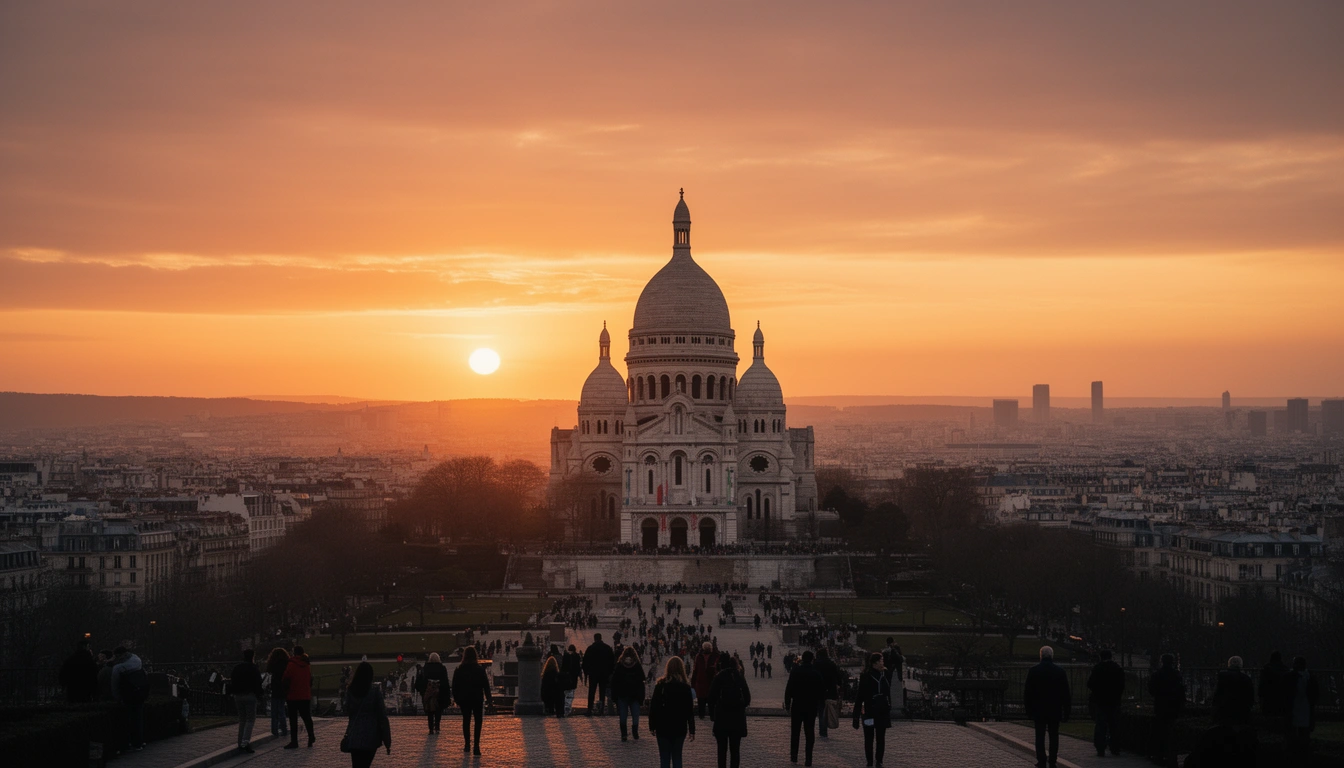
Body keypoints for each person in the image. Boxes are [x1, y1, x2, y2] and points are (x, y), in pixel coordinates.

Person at [1024, 646, 1071, 768]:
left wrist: (1028, 710)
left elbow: (1028, 693)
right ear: (1052, 656)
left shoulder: (1033, 671)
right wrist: (1066, 711)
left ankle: (1041, 760)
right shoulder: (1060, 671)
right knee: (1054, 736)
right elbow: (1065, 693)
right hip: (1054, 708)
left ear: (1041, 656)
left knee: (1039, 736)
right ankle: (1053, 761)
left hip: (1038, 709)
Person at [648, 656, 696, 768]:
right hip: (680, 727)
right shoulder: (685, 687)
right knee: (677, 757)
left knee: (664, 758)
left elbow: (654, 707)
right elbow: (689, 710)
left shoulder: (661, 686)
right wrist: (692, 729)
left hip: (663, 726)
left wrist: (652, 725)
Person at [343, 662, 391, 768]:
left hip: (355, 735)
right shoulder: (374, 691)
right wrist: (387, 741)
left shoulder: (350, 690)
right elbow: (382, 717)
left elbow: (348, 711)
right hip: (371, 736)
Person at [708, 650, 751, 768]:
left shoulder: (719, 677)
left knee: (722, 750)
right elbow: (747, 698)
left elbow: (711, 698)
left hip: (721, 718)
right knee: (735, 750)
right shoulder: (739, 676)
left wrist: (713, 715)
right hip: (737, 719)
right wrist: (740, 706)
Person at [852, 652, 892, 768]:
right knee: (869, 738)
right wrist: (856, 715)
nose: (882, 662)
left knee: (880, 737)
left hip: (881, 710)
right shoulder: (866, 676)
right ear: (875, 663)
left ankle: (879, 760)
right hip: (870, 710)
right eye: (881, 660)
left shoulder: (885, 673)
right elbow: (860, 696)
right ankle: (870, 761)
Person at [784, 650, 824, 766]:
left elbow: (789, 688)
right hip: (811, 706)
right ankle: (808, 759)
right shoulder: (816, 673)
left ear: (802, 659)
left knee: (795, 732)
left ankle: (794, 756)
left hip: (797, 705)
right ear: (812, 659)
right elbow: (821, 691)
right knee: (809, 733)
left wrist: (787, 704)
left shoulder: (795, 671)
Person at [452, 646, 492, 755]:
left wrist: (457, 699)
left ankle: (467, 745)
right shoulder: (479, 669)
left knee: (466, 721)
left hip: (464, 699)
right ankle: (476, 746)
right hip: (477, 699)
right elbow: (486, 686)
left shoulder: (459, 669)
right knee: (478, 722)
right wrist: (489, 700)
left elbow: (455, 686)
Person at [1147, 653, 1185, 768]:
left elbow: (1151, 690)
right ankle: (1170, 756)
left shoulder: (1157, 674)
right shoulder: (1176, 675)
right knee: (1171, 732)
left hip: (1160, 705)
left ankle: (1159, 755)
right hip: (1173, 706)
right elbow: (1181, 691)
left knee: (1159, 731)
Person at [110, 646, 149, 752]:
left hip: (127, 695)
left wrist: (117, 697)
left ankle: (128, 742)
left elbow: (115, 685)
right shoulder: (137, 660)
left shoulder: (118, 668)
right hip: (140, 693)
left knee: (127, 720)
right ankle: (138, 742)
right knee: (138, 718)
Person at [1086, 649, 1124, 757]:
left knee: (1100, 725)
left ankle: (1100, 748)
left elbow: (1090, 683)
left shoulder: (1098, 668)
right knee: (1114, 725)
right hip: (1114, 700)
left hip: (1101, 700)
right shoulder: (1117, 668)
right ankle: (1115, 748)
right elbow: (1122, 685)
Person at [1285, 656, 1318, 764]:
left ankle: (1293, 756)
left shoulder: (1290, 676)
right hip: (1306, 709)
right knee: (1304, 734)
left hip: (1294, 708)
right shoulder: (1310, 677)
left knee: (1293, 734)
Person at [611, 646, 647, 741]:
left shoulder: (620, 665)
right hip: (634, 694)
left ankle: (624, 734)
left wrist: (614, 696)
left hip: (622, 694)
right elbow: (642, 680)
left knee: (623, 715)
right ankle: (635, 732)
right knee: (635, 715)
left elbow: (614, 682)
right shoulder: (637, 665)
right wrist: (641, 697)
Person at [282, 645, 315, 748]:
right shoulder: (306, 665)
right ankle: (311, 735)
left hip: (293, 695)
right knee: (307, 717)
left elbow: (285, 679)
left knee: (293, 720)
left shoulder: (291, 664)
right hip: (305, 695)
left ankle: (294, 741)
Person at [231, 649, 263, 753]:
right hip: (250, 695)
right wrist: (259, 695)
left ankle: (240, 742)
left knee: (242, 719)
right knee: (250, 720)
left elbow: (233, 681)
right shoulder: (254, 668)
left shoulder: (237, 668)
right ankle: (245, 742)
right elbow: (258, 683)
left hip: (238, 695)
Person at [1212, 656, 1255, 726]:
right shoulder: (1246, 678)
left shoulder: (1222, 677)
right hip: (1241, 710)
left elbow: (1217, 695)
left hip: (1224, 710)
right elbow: (1250, 696)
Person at [415, 652, 450, 734]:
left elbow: (419, 682)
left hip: (428, 692)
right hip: (439, 693)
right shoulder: (442, 668)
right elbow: (445, 682)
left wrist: (422, 691)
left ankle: (431, 729)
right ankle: (437, 727)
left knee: (429, 711)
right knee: (438, 710)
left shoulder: (425, 668)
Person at [583, 632, 616, 715]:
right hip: (604, 674)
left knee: (591, 691)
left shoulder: (590, 648)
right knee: (602, 691)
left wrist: (586, 672)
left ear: (594, 639)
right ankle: (601, 710)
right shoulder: (607, 648)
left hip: (593, 673)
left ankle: (589, 709)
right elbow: (612, 661)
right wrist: (610, 672)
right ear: (601, 638)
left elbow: (585, 662)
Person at [59, 639, 99, 703]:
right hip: (86, 690)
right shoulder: (90, 661)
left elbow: (62, 675)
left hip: (72, 689)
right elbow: (95, 677)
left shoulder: (70, 660)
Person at [815, 648, 841, 739]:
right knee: (827, 710)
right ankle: (825, 729)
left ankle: (822, 730)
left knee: (821, 710)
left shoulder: (816, 664)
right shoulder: (832, 664)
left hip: (819, 691)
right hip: (830, 691)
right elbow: (838, 677)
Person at [265, 647, 290, 738]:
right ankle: (284, 728)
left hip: (275, 688)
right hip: (283, 688)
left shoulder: (272, 664)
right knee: (281, 709)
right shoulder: (286, 664)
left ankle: (274, 729)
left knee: (274, 711)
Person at [1258, 650, 1289, 720]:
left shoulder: (1267, 668)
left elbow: (1262, 684)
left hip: (1269, 697)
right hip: (1281, 697)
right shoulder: (1285, 669)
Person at [691, 642, 718, 719]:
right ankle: (709, 716)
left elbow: (695, 670)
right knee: (707, 700)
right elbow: (695, 670)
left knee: (703, 700)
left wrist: (693, 683)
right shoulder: (700, 656)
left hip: (706, 682)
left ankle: (703, 715)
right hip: (705, 682)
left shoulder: (700, 656)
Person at [561, 644, 583, 716]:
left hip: (566, 676)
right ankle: (568, 707)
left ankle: (565, 707)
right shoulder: (577, 656)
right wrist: (580, 676)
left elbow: (563, 666)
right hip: (574, 676)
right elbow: (578, 667)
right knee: (571, 692)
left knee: (566, 691)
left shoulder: (566, 655)